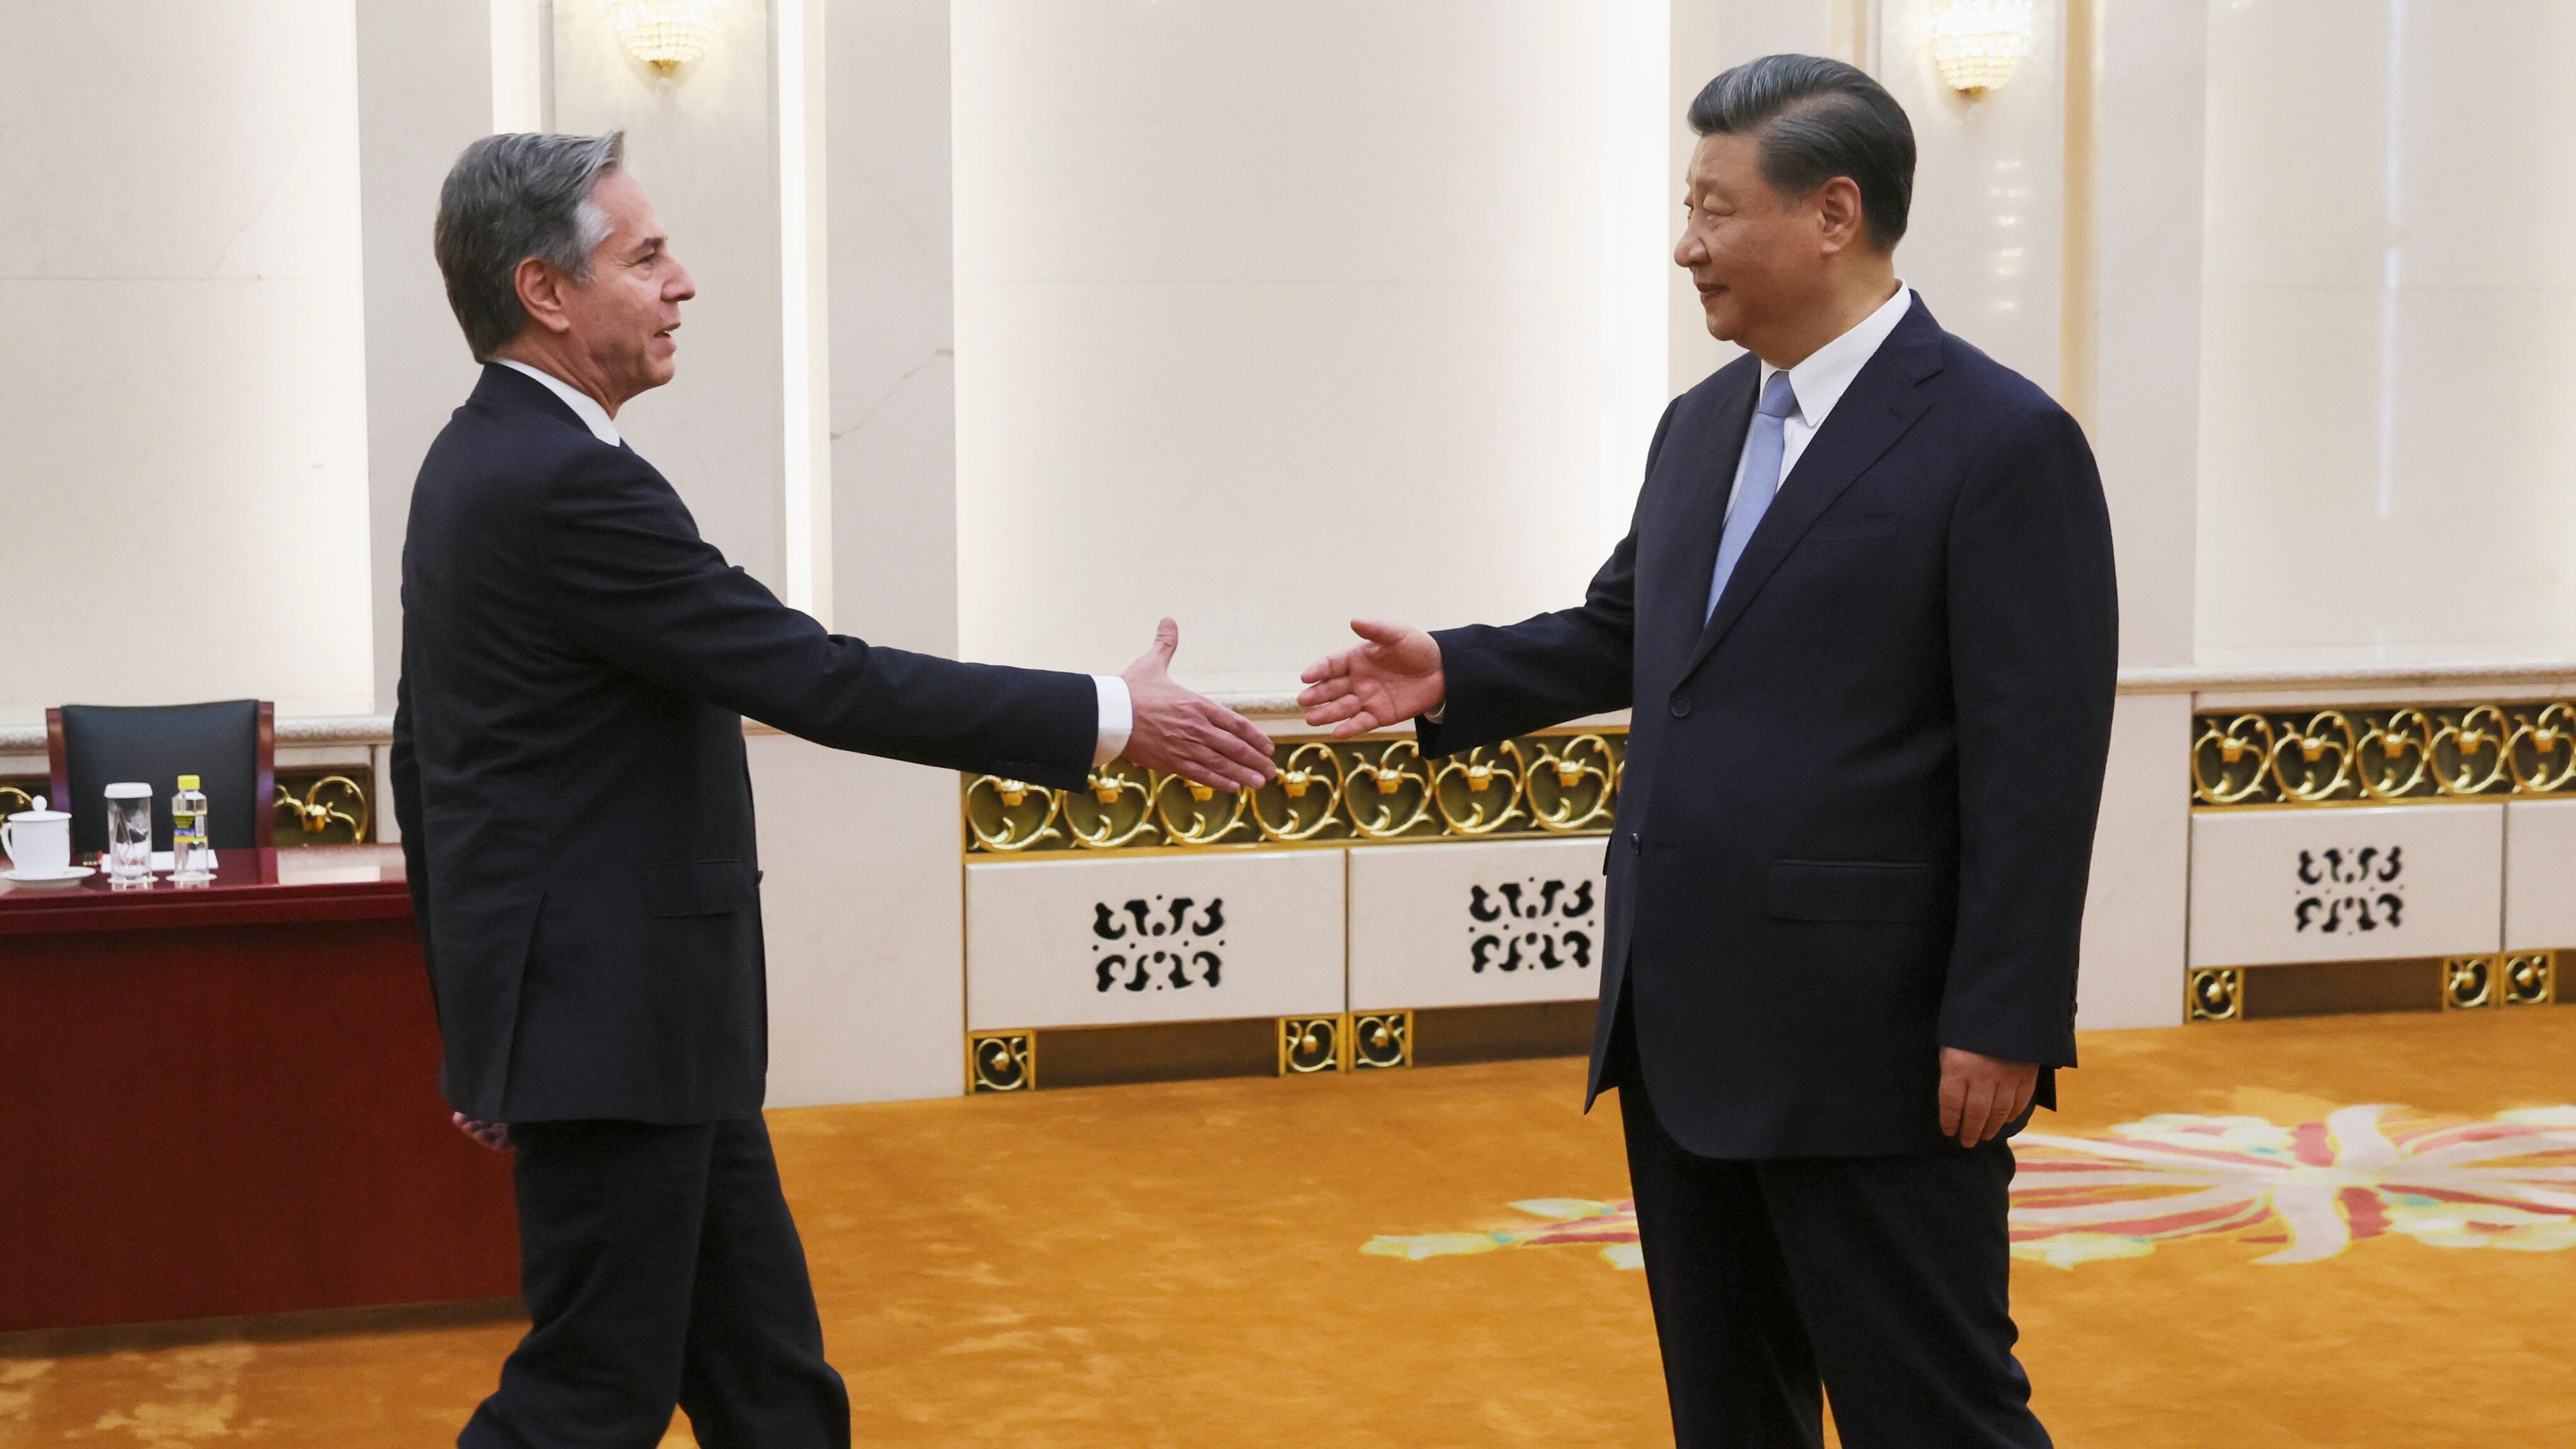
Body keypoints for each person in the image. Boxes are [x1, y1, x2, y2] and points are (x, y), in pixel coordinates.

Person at [393, 130, 1275, 1448]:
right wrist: (1103, 714)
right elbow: (818, 676)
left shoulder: (480, 462)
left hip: (641, 1033)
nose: (683, 281)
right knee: (587, 1399)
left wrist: (486, 1021)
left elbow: (426, 760)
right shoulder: (563, 481)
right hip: (617, 1033)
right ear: (545, 291)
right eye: (647, 256)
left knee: (772, 1397)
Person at [1299, 55, 2114, 1449]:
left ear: (1834, 215)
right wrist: (1461, 670)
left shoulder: (2002, 441)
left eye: (1716, 209)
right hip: (1681, 1025)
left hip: (1882, 1041)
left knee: (1936, 1410)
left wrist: (2005, 1016)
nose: (1689, 245)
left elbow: (2040, 761)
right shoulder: (1703, 424)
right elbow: (1636, 627)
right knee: (1730, 1413)